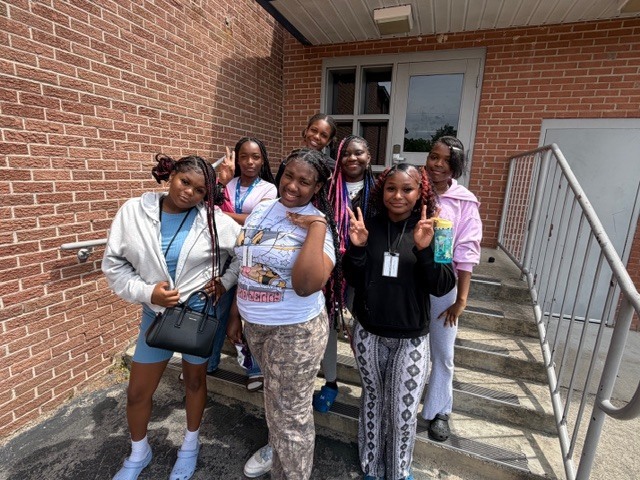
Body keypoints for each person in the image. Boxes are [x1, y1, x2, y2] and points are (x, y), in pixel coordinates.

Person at [102, 154, 240, 480]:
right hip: (155, 315)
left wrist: (225, 281)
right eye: (184, 182)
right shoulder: (134, 212)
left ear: (207, 194)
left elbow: (244, 250)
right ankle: (139, 452)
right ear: (171, 175)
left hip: (196, 314)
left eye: (199, 190)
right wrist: (147, 293)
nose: (188, 193)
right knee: (137, 392)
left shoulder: (213, 220)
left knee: (193, 381)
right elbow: (113, 265)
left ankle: (190, 447)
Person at [227, 148, 341, 480]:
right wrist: (236, 313)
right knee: (277, 408)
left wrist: (317, 225)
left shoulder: (320, 226)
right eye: (288, 176)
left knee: (291, 417)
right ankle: (276, 453)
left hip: (294, 333)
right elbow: (247, 265)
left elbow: (307, 285)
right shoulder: (262, 209)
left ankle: (291, 473)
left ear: (317, 187)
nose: (292, 186)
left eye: (304, 181)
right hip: (256, 327)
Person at [342, 163, 456, 480]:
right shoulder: (370, 226)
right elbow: (352, 277)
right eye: (391, 188)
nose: (398, 195)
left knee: (402, 412)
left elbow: (443, 284)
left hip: (412, 338)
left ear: (421, 193)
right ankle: (371, 466)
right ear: (382, 191)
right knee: (373, 402)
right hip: (369, 334)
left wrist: (424, 250)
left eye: (407, 189)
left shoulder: (437, 230)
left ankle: (398, 471)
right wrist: (357, 247)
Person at [420, 136, 482, 441]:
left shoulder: (464, 201)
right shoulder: (411, 189)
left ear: (456, 165)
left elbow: (467, 252)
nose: (438, 164)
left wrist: (462, 299)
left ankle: (439, 410)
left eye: (446, 160)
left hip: (443, 288)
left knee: (442, 352)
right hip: (409, 284)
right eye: (434, 157)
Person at [208, 137, 277, 392]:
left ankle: (256, 369)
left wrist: (222, 216)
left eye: (255, 157)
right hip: (224, 254)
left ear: (263, 160)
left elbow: (258, 221)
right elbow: (208, 206)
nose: (249, 162)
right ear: (237, 159)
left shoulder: (269, 189)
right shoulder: (228, 183)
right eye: (244, 156)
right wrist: (221, 182)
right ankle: (210, 361)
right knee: (219, 306)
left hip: (254, 255)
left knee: (250, 312)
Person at [313, 135, 376, 413]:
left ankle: (371, 384)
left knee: (366, 326)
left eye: (358, 153)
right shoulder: (325, 190)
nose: (352, 158)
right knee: (327, 325)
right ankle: (330, 382)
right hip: (330, 268)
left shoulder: (378, 191)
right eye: (347, 154)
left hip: (363, 270)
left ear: (369, 156)